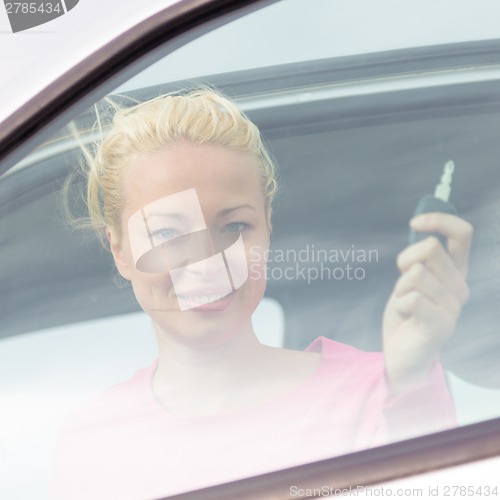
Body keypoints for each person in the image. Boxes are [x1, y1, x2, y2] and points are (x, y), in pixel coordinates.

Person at [51, 88, 472, 500]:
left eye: (234, 227)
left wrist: (412, 384)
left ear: (267, 226)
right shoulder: (93, 444)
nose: (206, 262)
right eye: (167, 233)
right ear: (120, 250)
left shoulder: (380, 393)